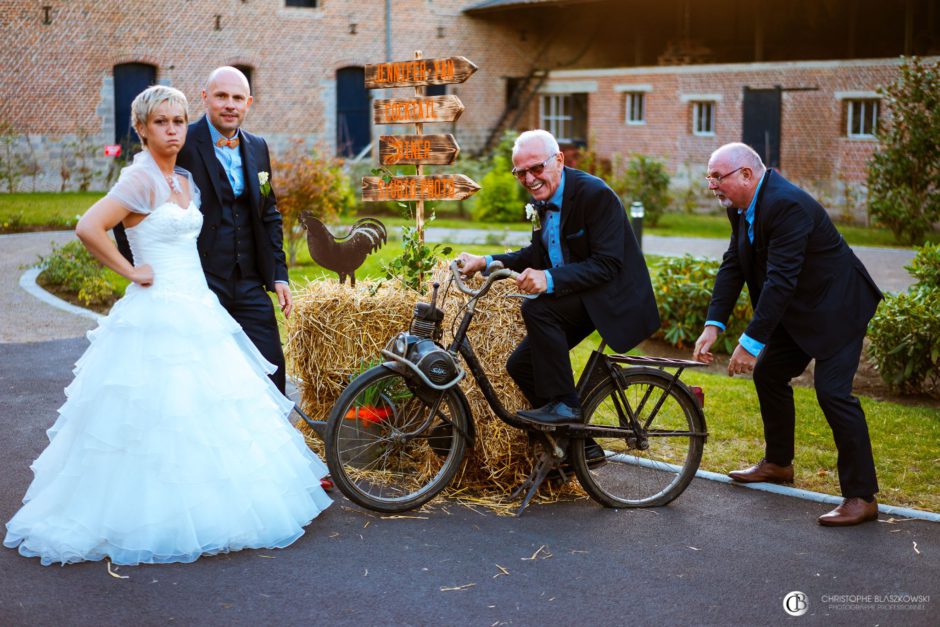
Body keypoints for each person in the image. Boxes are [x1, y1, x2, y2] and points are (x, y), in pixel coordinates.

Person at [4, 86, 331, 566]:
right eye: (161, 122)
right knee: (158, 410)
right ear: (141, 128)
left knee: (209, 407)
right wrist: (131, 270)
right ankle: (155, 512)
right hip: (157, 311)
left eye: (179, 121)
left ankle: (215, 501)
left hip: (198, 303)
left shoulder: (182, 180)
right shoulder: (140, 180)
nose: (173, 130)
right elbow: (89, 227)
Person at [692, 142, 883, 527]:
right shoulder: (742, 205)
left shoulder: (787, 205)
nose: (712, 185)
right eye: (709, 176)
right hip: (800, 308)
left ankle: (862, 497)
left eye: (717, 176)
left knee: (833, 393)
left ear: (747, 174)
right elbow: (734, 263)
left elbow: (780, 281)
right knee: (770, 375)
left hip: (838, 308)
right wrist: (715, 323)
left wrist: (750, 342)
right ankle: (778, 463)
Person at [457, 130, 660, 425]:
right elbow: (534, 254)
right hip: (579, 293)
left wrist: (548, 279)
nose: (529, 179)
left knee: (537, 308)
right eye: (520, 173)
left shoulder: (595, 195)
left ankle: (567, 405)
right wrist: (484, 262)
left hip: (610, 295)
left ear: (559, 160)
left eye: (536, 168)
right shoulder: (542, 200)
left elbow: (607, 264)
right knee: (520, 365)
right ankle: (578, 446)